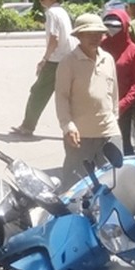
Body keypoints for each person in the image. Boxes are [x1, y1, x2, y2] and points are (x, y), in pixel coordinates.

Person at [55, 14, 121, 183]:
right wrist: (67, 125)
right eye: (89, 34)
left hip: (108, 131)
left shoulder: (108, 59)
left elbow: (113, 93)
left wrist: (114, 117)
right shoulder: (68, 62)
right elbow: (61, 97)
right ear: (79, 36)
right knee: (76, 184)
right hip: (80, 135)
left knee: (114, 180)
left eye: (99, 34)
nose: (95, 38)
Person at [11, 0, 75, 136]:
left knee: (38, 93)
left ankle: (27, 127)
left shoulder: (52, 13)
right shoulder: (62, 12)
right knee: (70, 96)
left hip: (56, 60)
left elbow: (54, 38)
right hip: (69, 58)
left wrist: (44, 59)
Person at [102, 11, 135, 154]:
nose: (111, 29)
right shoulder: (100, 47)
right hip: (100, 105)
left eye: (116, 25)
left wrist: (123, 104)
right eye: (108, 25)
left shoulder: (133, 51)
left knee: (123, 142)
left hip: (123, 107)